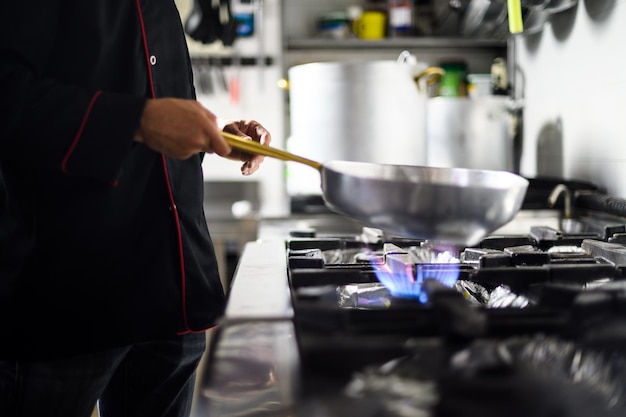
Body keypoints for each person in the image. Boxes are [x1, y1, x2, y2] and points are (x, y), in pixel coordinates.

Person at [0, 1, 271, 416]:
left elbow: (153, 126)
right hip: (68, 297)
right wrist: (139, 120)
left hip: (170, 295)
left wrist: (211, 138)